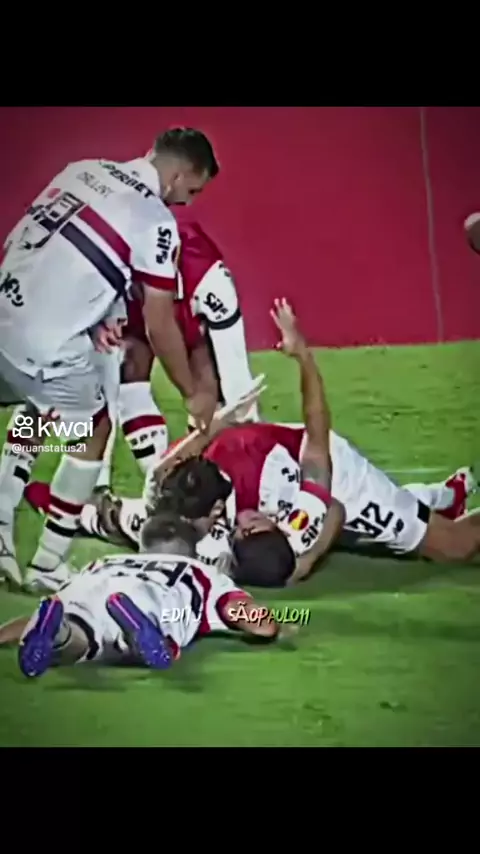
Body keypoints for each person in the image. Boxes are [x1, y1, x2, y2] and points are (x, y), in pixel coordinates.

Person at [0, 128, 219, 590]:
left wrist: (98, 315)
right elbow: (159, 323)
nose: (188, 201)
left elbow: (31, 243)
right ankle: (48, 564)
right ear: (180, 174)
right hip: (40, 344)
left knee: (41, 406)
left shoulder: (82, 170)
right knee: (93, 425)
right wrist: (192, 393)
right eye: (193, 190)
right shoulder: (154, 219)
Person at [149, 301, 480, 586]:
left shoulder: (279, 498)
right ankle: (443, 497)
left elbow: (334, 505)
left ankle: (433, 506)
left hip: (335, 474)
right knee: (355, 534)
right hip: (289, 487)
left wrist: (301, 562)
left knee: (453, 547)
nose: (188, 528)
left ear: (218, 509)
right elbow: (158, 478)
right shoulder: (171, 498)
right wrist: (211, 429)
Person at [0, 507, 288, 679]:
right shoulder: (203, 572)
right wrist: (274, 624)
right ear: (189, 550)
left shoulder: (104, 561)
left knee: (79, 632)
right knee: (134, 636)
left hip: (90, 589)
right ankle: (141, 636)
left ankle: (56, 631)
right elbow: (254, 621)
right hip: (152, 599)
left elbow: (44, 610)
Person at [92, 219, 259, 498]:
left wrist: (253, 450)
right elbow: (102, 388)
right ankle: (163, 485)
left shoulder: (210, 281)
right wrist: (97, 484)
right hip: (119, 317)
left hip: (189, 317)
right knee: (123, 370)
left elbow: (236, 378)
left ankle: (205, 480)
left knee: (209, 392)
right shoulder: (106, 276)